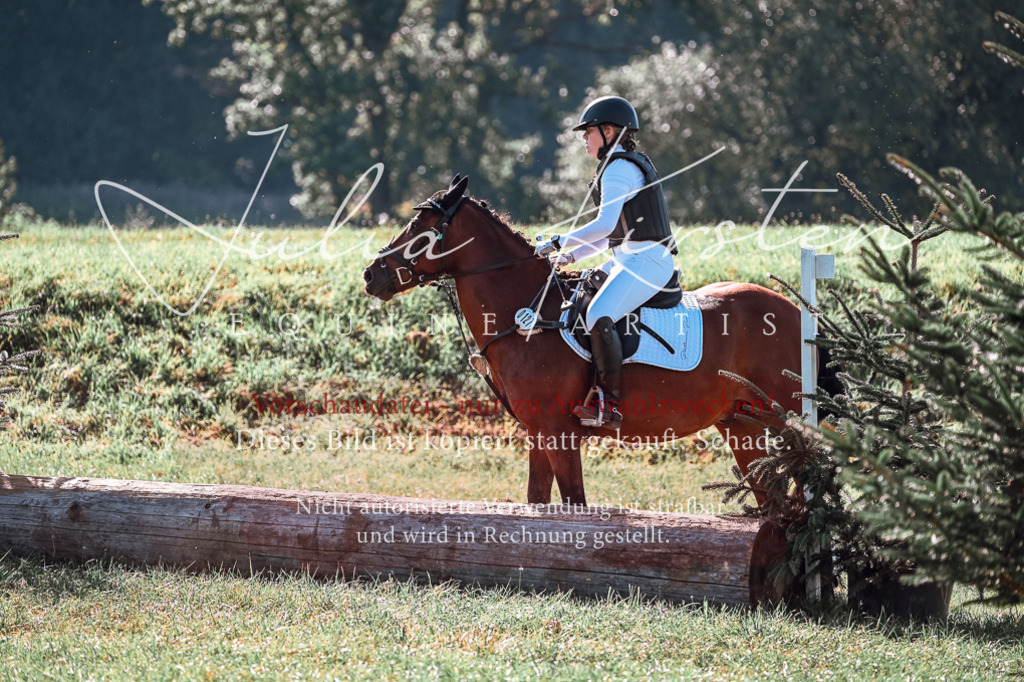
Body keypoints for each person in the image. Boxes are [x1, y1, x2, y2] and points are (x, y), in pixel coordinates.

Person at [536, 95, 677, 430]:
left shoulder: (620, 168)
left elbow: (601, 224)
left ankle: (608, 403)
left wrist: (558, 240)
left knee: (600, 314)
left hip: (649, 261)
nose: (584, 137)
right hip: (627, 258)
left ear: (609, 131)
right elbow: (607, 235)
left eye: (589, 131)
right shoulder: (616, 165)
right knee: (576, 298)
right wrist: (568, 256)